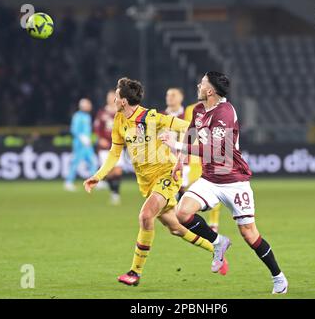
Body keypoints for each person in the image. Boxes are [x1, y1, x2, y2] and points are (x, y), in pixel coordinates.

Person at [83, 78, 227, 287]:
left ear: (123, 101)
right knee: (176, 228)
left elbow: (189, 126)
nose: (113, 98)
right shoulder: (119, 120)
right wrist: (98, 175)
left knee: (145, 215)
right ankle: (216, 247)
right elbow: (115, 153)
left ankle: (135, 272)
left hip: (166, 175)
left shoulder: (150, 117)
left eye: (116, 95)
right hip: (147, 183)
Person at [161, 71, 288, 294]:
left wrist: (176, 147)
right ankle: (218, 241)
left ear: (210, 90)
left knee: (249, 234)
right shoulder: (199, 110)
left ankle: (278, 277)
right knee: (182, 213)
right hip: (210, 179)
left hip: (234, 180)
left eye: (202, 83)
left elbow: (215, 151)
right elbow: (191, 134)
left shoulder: (225, 113)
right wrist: (180, 162)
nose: (198, 85)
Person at [164, 87, 222, 232]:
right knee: (179, 189)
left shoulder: (216, 110)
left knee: (215, 186)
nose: (170, 97)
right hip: (176, 158)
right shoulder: (183, 112)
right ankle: (181, 221)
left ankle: (213, 223)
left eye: (173, 94)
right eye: (168, 95)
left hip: (197, 158)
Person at [94, 89, 124, 205]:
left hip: (117, 146)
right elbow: (97, 128)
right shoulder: (102, 113)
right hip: (104, 147)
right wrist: (100, 139)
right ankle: (113, 193)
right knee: (110, 172)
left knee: (118, 171)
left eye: (114, 96)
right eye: (109, 96)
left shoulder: (121, 112)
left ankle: (116, 194)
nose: (111, 98)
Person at [65, 98, 97, 191]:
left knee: (93, 161)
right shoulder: (77, 116)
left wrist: (88, 139)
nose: (90, 106)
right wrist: (82, 138)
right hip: (79, 144)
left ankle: (94, 181)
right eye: (88, 104)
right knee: (75, 162)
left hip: (87, 145)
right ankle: (68, 182)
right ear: (83, 106)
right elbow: (74, 130)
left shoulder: (87, 116)